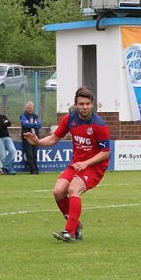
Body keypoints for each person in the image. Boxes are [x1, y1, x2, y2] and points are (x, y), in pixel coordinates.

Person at [23, 87, 111, 243]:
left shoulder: (99, 125)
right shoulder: (70, 119)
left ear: (92, 105)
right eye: (81, 104)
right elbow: (54, 138)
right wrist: (38, 142)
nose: (85, 107)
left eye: (88, 104)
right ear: (76, 104)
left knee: (73, 189)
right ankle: (75, 224)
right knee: (58, 192)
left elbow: (105, 153)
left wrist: (86, 163)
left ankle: (69, 232)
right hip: (77, 164)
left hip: (95, 167)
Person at [20, 101, 41, 174]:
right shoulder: (23, 115)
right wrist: (34, 124)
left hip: (35, 137)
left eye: (31, 108)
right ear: (26, 108)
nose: (30, 110)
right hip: (27, 138)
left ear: (33, 108)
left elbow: (39, 124)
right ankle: (32, 170)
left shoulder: (35, 116)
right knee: (30, 154)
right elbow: (25, 125)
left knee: (35, 154)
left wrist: (31, 124)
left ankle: (36, 169)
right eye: (28, 108)